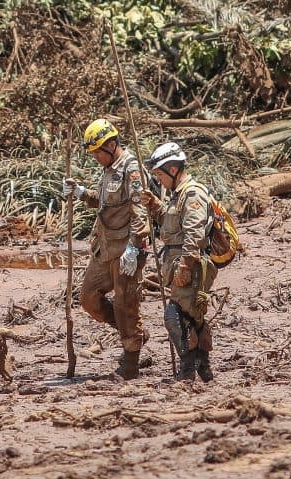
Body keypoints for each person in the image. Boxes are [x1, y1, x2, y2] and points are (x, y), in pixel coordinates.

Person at [62, 119, 150, 380]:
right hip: (104, 247)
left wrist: (135, 247)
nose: (95, 157)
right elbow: (104, 203)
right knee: (88, 298)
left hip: (126, 249)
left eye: (98, 151)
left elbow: (140, 212)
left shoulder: (131, 170)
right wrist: (79, 192)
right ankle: (132, 332)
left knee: (126, 303)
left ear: (112, 145)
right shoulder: (109, 168)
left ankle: (131, 360)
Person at [141, 142, 216, 381]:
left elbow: (194, 234)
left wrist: (185, 265)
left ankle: (187, 373)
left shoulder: (192, 193)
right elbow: (171, 222)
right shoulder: (177, 195)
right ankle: (202, 369)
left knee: (175, 317)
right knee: (192, 318)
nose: (159, 180)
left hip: (190, 266)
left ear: (173, 170)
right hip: (178, 263)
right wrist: (154, 206)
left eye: (160, 175)